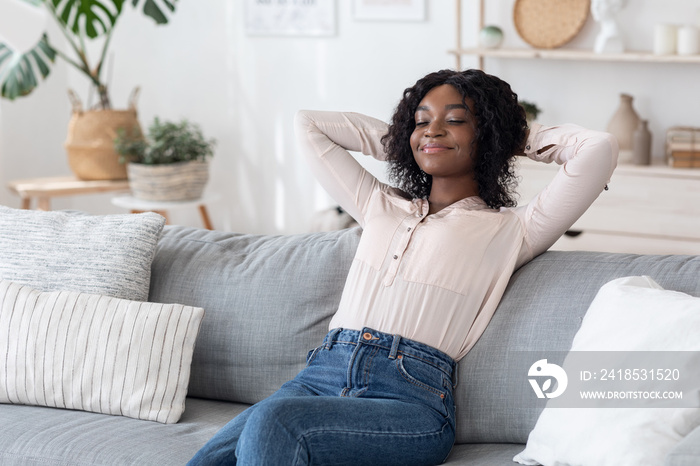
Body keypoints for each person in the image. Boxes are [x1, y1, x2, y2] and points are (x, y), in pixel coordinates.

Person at [188, 69, 618, 465]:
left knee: (274, 422)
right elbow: (309, 125)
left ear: (487, 133)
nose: (433, 129)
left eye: (455, 120)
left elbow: (597, 148)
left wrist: (504, 133)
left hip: (409, 400)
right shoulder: (380, 206)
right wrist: (406, 143)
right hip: (318, 380)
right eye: (421, 120)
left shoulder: (514, 229)